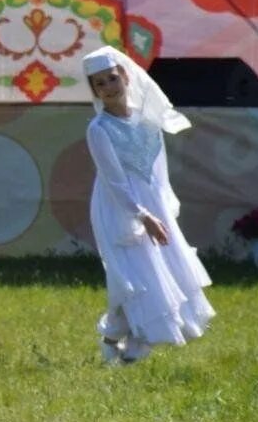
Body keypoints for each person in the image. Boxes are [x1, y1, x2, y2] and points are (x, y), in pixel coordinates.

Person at [81, 47, 214, 364]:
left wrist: (161, 204)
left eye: (112, 78)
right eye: (100, 84)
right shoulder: (98, 130)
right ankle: (113, 339)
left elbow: (156, 167)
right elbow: (114, 181)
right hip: (118, 207)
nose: (109, 87)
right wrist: (143, 216)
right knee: (134, 277)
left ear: (126, 76)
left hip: (152, 204)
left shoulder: (146, 118)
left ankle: (134, 349)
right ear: (95, 91)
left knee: (159, 271)